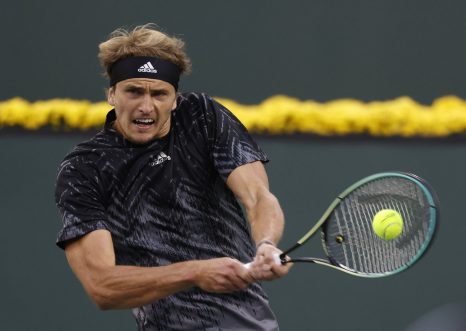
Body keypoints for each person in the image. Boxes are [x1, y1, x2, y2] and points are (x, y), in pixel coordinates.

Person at [55, 24, 291, 331]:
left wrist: (267, 244)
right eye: (134, 91)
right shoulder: (84, 168)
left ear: (175, 99)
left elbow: (258, 196)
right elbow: (102, 286)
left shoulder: (202, 116)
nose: (146, 106)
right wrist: (194, 273)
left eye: (159, 94)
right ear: (112, 94)